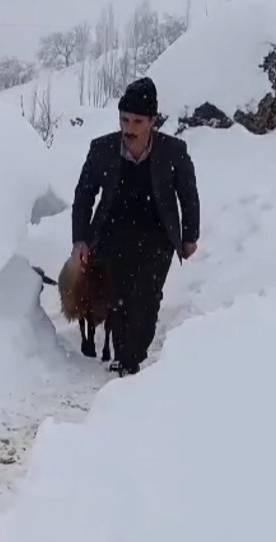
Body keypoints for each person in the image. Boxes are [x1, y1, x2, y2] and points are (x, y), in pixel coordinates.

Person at [70, 76, 200, 376]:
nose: (128, 128)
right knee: (116, 294)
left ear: (152, 121)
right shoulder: (101, 149)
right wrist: (81, 240)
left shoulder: (174, 151)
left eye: (137, 121)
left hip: (157, 235)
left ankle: (133, 354)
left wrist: (190, 236)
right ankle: (124, 356)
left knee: (147, 296)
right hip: (112, 231)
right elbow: (84, 196)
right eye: (124, 119)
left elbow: (188, 194)